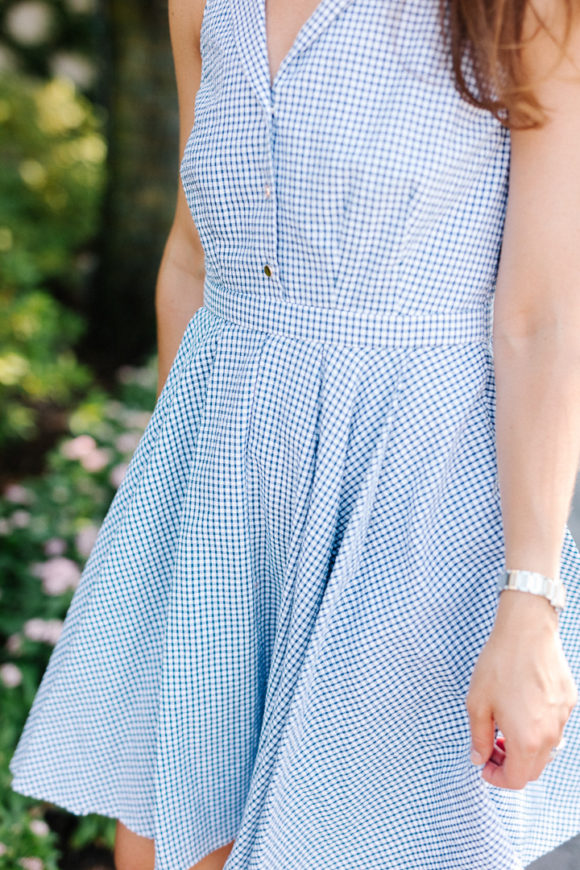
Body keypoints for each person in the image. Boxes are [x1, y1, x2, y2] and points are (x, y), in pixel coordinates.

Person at [8, 0, 580, 867]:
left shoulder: (516, 11)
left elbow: (541, 319)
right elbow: (192, 259)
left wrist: (532, 599)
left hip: (415, 509)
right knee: (167, 849)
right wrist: (186, 518)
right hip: (223, 500)